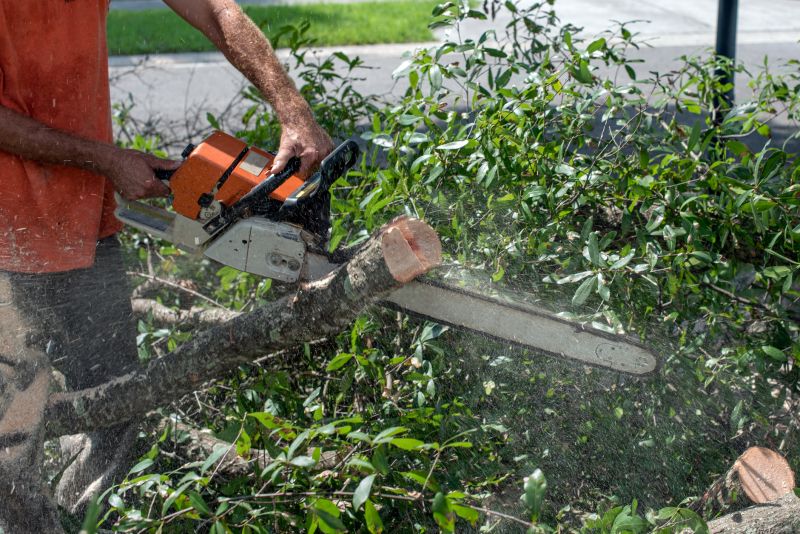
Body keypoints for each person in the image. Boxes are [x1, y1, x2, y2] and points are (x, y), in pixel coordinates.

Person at [0, 0, 333, 531]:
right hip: (6, 236)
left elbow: (214, 8)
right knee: (10, 441)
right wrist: (107, 160)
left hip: (85, 221)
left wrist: (293, 110)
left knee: (114, 410)